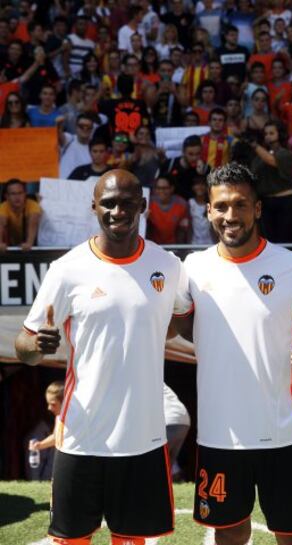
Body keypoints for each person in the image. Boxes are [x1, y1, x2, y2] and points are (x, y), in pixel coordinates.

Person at [15, 169, 189, 545]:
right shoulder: (67, 270)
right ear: (93, 206)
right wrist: (36, 347)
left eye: (127, 203)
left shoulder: (169, 267)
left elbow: (177, 324)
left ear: (142, 206)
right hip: (82, 436)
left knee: (132, 541)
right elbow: (23, 346)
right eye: (108, 203)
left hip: (143, 439)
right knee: (71, 541)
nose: (117, 211)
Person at [173, 162, 292, 545]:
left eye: (241, 205)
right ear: (209, 210)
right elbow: (183, 327)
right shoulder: (192, 269)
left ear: (258, 209)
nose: (232, 216)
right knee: (229, 534)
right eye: (222, 206)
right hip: (220, 435)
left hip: (282, 431)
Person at [0, 178, 42, 252]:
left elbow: (33, 222)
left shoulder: (32, 205)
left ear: (25, 193)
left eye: (20, 193)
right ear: (6, 196)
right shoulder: (3, 207)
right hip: (10, 244)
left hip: (31, 244)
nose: (17, 197)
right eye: (13, 194)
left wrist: (29, 243)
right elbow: (1, 223)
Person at [147, 176, 189, 244]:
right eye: (158, 188)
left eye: (164, 188)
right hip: (154, 246)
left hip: (175, 248)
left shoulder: (181, 204)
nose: (161, 191)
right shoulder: (148, 204)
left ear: (172, 188)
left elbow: (183, 231)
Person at [28, 381, 64, 454]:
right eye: (48, 404)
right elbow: (55, 437)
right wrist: (39, 445)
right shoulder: (59, 417)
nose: (49, 408)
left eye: (53, 404)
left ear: (64, 402)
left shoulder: (75, 419)